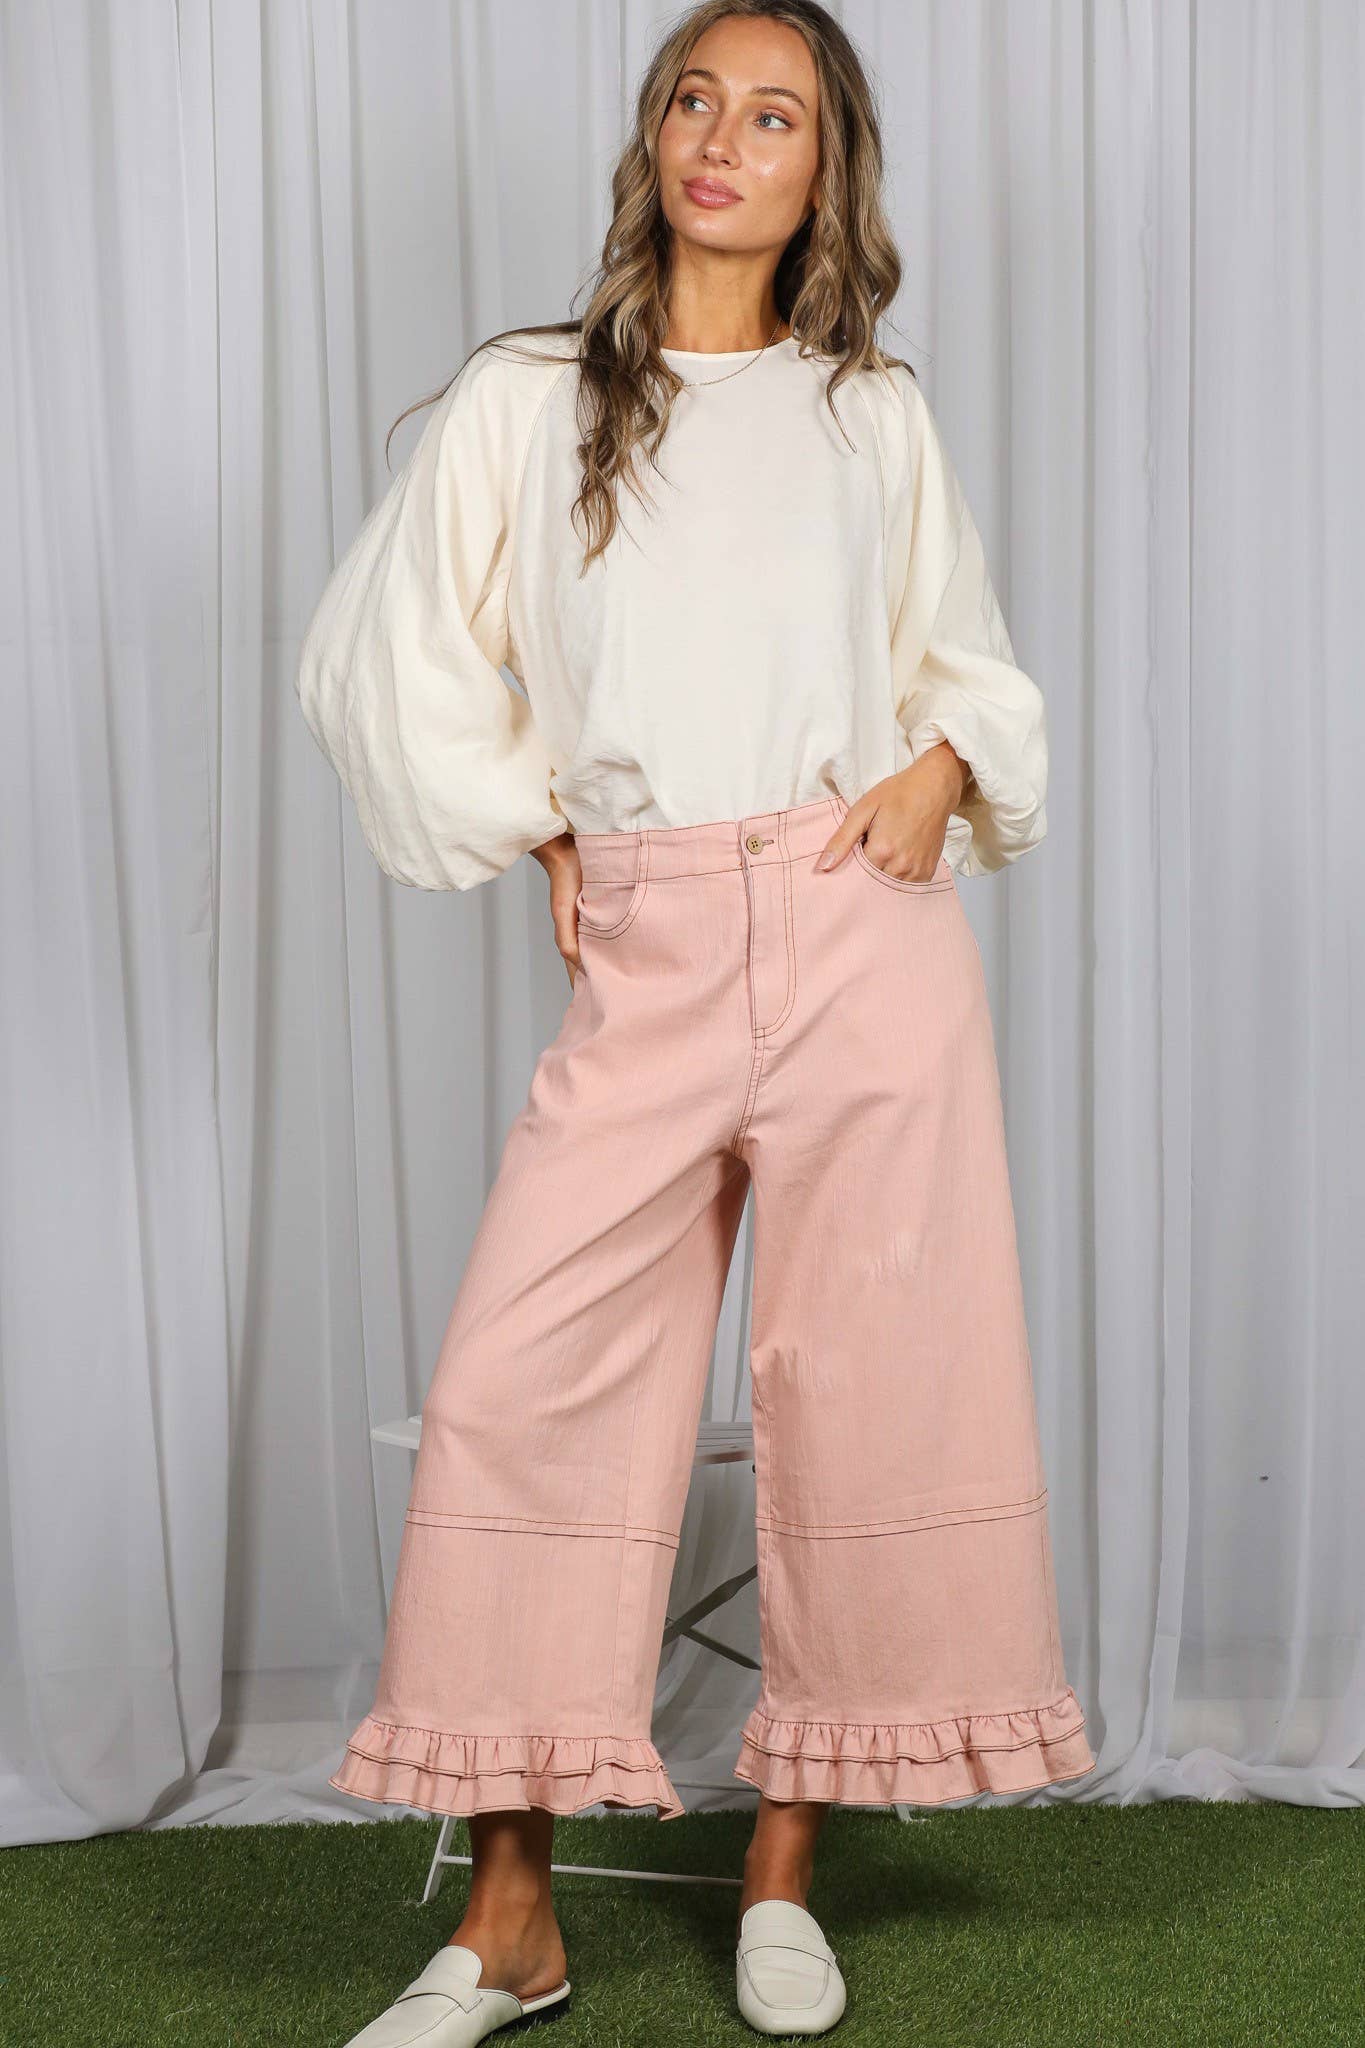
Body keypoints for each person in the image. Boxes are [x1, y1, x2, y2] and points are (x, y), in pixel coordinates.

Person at [296, 3, 1095, 2040]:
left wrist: (937, 771)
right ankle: (511, 1922)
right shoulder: (527, 397)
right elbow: (383, 653)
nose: (722, 139)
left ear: (827, 171)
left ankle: (780, 1875)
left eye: (774, 115)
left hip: (860, 932)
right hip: (651, 941)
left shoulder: (867, 412)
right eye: (693, 100)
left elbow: (964, 661)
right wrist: (543, 822)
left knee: (871, 1390)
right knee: (522, 1386)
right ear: (651, 133)